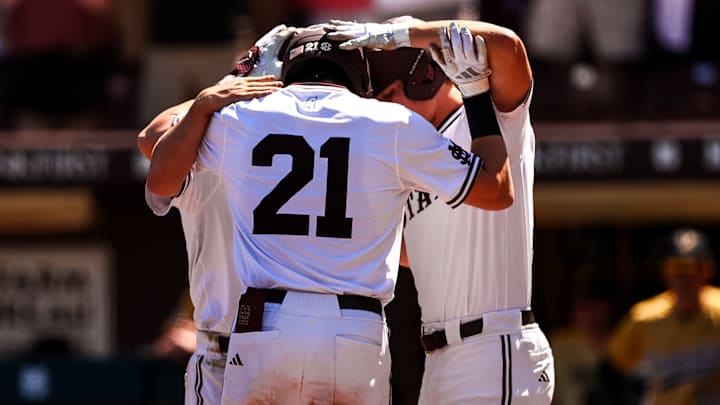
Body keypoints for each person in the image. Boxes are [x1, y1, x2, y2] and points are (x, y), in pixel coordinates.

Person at [145, 25, 513, 404]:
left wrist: (214, 94)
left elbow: (159, 174)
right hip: (354, 327)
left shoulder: (243, 116)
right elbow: (496, 189)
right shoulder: (392, 122)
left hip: (265, 324)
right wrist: (476, 95)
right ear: (359, 75)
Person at [326, 16, 555, 403]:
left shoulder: (486, 117)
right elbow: (421, 255)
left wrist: (402, 34)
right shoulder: (413, 152)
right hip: (440, 355)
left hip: (493, 347)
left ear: (422, 80)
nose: (379, 111)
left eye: (385, 97)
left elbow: (509, 46)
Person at [136, 26, 291, 405]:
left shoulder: (211, 136)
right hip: (300, 343)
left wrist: (214, 95)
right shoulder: (333, 131)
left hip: (231, 347)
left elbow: (149, 138)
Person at [607, 227, 720, 404]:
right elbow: (613, 369)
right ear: (665, 272)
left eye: (688, 268)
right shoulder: (644, 318)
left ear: (707, 270)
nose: (682, 278)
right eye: (674, 268)